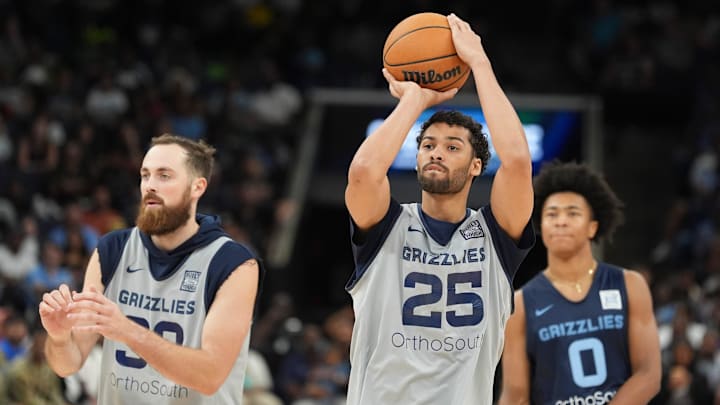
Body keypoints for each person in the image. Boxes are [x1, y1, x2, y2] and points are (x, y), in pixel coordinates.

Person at [344, 13, 535, 404]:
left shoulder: (496, 236)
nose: (436, 153)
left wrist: (479, 63)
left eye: (452, 147)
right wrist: (415, 101)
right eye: (428, 145)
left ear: (477, 166)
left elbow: (516, 162)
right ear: (416, 160)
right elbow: (363, 172)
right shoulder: (387, 226)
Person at [38, 133, 263, 404]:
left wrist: (126, 329)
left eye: (164, 176)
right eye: (145, 175)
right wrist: (60, 338)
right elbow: (67, 365)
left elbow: (210, 376)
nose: (150, 186)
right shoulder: (112, 250)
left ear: (197, 187)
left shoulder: (234, 263)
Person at [498, 161, 661, 405]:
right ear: (541, 225)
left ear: (592, 227)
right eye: (552, 214)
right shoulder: (520, 305)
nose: (561, 221)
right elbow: (516, 395)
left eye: (572, 213)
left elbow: (648, 375)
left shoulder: (629, 284)